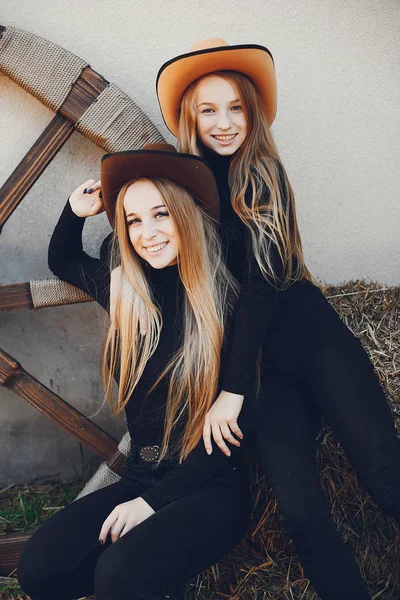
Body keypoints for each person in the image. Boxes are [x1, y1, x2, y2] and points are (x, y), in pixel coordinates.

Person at [156, 39, 400, 600]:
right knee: (301, 512)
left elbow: (262, 289)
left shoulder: (262, 174)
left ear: (252, 113)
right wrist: (84, 222)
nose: (224, 123)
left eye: (235, 107)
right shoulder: (181, 193)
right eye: (208, 109)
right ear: (190, 118)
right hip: (260, 370)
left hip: (312, 345)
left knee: (387, 481)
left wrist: (232, 391)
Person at [17, 144, 252, 600]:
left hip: (210, 489)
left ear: (185, 215)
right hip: (143, 476)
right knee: (39, 569)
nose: (148, 233)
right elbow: (62, 260)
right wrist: (74, 210)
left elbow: (235, 436)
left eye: (160, 214)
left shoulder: (229, 303)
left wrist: (152, 505)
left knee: (119, 576)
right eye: (134, 220)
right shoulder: (129, 295)